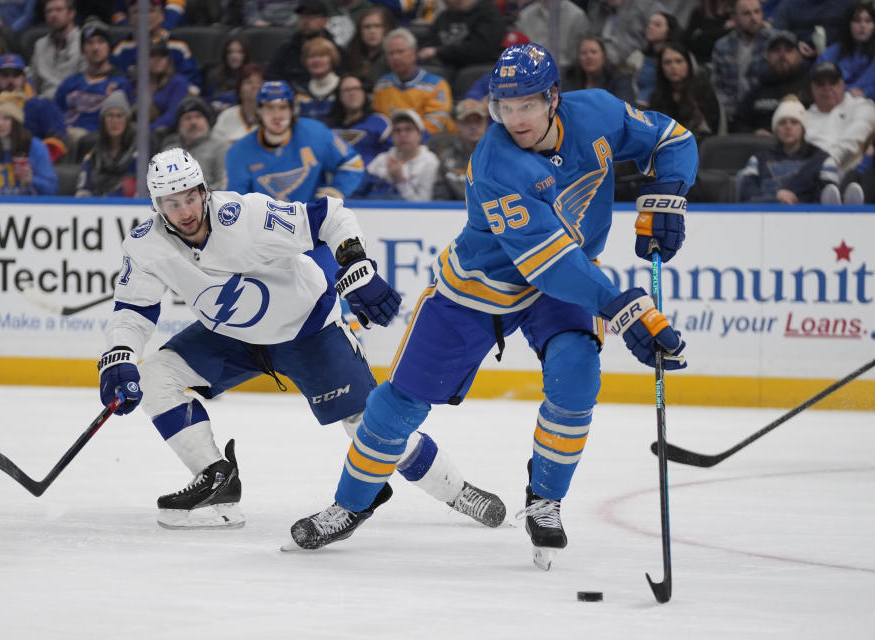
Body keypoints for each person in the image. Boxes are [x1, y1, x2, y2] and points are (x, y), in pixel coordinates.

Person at [289, 43, 696, 568]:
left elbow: (672, 138)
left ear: (553, 97)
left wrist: (668, 192)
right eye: (505, 106)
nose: (515, 118)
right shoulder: (495, 163)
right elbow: (545, 263)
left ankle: (544, 501)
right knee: (398, 406)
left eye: (527, 104)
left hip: (563, 285)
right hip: (479, 290)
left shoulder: (596, 110)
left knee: (577, 378)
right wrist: (620, 304)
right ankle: (349, 506)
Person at [96, 147, 506, 529]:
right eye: (171, 203)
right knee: (156, 377)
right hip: (232, 337)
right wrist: (120, 354)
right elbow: (134, 309)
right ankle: (215, 478)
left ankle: (458, 492)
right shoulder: (146, 245)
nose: (185, 211)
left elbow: (330, 215)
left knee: (369, 424)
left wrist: (354, 263)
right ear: (156, 205)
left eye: (190, 197)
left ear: (204, 191)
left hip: (308, 329)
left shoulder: (245, 216)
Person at [225, 80, 365, 203]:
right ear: (259, 111)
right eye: (269, 108)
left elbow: (353, 163)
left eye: (283, 107)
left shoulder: (315, 133)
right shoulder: (238, 152)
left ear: (292, 110)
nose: (277, 115)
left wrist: (338, 189)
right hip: (262, 228)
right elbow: (235, 203)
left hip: (312, 224)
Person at [736, 97, 841, 203]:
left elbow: (825, 200)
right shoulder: (758, 159)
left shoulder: (823, 160)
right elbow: (746, 194)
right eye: (782, 123)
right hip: (766, 214)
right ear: (776, 129)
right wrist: (775, 197)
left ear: (803, 128)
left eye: (794, 122)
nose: (788, 127)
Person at [0, 91, 59, 195]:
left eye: (6, 118)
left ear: (16, 122)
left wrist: (32, 180)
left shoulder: (35, 147)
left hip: (29, 207)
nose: (0, 124)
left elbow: (52, 189)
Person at [55, 21, 134, 139]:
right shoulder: (70, 82)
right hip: (64, 135)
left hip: (96, 139)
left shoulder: (120, 83)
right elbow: (55, 112)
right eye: (89, 43)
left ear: (109, 47)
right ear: (82, 50)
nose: (95, 48)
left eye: (101, 42)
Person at [372, 28, 457, 135]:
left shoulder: (437, 85)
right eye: (391, 53)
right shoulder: (381, 85)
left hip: (430, 144)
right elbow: (379, 120)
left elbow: (437, 123)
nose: (395, 57)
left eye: (400, 51)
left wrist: (406, 137)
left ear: (414, 53)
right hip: (392, 142)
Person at [732, 31, 812, 134]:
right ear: (768, 57)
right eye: (776, 50)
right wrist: (754, 133)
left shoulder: (810, 87)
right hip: (760, 146)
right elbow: (738, 123)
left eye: (788, 50)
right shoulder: (758, 88)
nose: (782, 55)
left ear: (799, 56)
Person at [328, 74, 392, 196]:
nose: (352, 93)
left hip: (371, 188)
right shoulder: (327, 127)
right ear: (339, 96)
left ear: (364, 93)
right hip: (334, 186)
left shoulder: (380, 122)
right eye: (347, 90)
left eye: (356, 89)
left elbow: (391, 155)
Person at [803, 61, 875, 169]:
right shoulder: (804, 116)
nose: (827, 88)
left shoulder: (861, 106)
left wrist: (832, 158)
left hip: (848, 173)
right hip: (808, 171)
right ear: (812, 88)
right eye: (820, 84)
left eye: (833, 82)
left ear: (842, 85)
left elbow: (858, 132)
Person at [710, 0, 773, 123]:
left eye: (757, 12)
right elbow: (716, 85)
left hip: (764, 112)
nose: (754, 18)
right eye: (747, 14)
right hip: (730, 114)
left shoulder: (773, 43)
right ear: (734, 18)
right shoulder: (722, 46)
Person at [649, 41, 721, 144]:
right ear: (661, 67)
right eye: (667, 63)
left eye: (678, 61)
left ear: (688, 64)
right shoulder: (656, 97)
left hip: (699, 147)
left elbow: (711, 129)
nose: (673, 67)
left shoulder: (703, 91)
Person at [416, 0, 507, 76]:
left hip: (473, 67)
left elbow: (480, 50)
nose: (444, 3)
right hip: (442, 63)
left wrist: (438, 51)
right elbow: (428, 41)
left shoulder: (489, 14)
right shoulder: (445, 16)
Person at [364, 108, 439, 200]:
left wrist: (400, 182)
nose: (402, 134)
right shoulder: (382, 159)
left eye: (408, 129)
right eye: (397, 130)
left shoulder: (430, 162)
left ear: (420, 134)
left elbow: (425, 205)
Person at [75, 90, 138, 197]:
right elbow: (83, 189)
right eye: (110, 116)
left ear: (127, 121)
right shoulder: (93, 153)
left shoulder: (137, 154)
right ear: (102, 120)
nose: (114, 121)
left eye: (119, 116)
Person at [160, 96, 226, 190]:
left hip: (212, 201)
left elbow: (224, 183)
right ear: (179, 125)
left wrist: (199, 196)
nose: (193, 122)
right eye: (187, 118)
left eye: (198, 117)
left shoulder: (220, 146)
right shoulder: (169, 151)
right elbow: (161, 185)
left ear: (207, 121)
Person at [815, 2, 875, 100]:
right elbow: (817, 82)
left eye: (868, 21)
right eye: (857, 20)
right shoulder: (830, 54)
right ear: (848, 24)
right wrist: (847, 92)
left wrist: (866, 92)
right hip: (834, 103)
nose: (863, 25)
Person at [433, 98, 488, 200]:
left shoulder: (499, 156)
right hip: (453, 213)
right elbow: (440, 197)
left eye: (478, 121)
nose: (473, 126)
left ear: (486, 123)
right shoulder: (446, 156)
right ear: (457, 125)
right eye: (467, 121)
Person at [514, 0, 592, 69]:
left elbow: (580, 56)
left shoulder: (577, 16)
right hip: (533, 73)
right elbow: (519, 51)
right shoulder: (525, 16)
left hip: (568, 75)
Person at [31, 0, 83, 100]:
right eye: (49, 11)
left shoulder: (84, 42)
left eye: (59, 10)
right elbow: (34, 83)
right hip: (43, 102)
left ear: (71, 14)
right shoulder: (40, 45)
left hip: (72, 101)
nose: (53, 15)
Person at [561, 35, 637, 104]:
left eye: (594, 52)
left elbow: (625, 108)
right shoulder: (570, 77)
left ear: (604, 56)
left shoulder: (620, 78)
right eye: (583, 53)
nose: (588, 56)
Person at [211, 63, 264, 145]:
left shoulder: (270, 116)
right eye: (249, 82)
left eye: (259, 82)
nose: (255, 86)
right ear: (239, 89)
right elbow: (215, 145)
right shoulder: (227, 116)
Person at [635, 12, 681, 106]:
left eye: (657, 25)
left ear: (669, 31)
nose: (650, 27)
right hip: (638, 106)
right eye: (649, 23)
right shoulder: (638, 56)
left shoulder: (681, 56)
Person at [295, 37, 343, 122]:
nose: (316, 60)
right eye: (311, 56)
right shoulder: (299, 92)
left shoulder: (344, 88)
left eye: (322, 55)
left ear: (332, 59)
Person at [346, 5, 395, 85]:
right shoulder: (351, 55)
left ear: (387, 28)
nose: (372, 31)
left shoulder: (393, 57)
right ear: (360, 31)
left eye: (378, 26)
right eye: (367, 27)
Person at [202, 34, 251, 113]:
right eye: (230, 52)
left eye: (239, 52)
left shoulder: (251, 76)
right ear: (225, 55)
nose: (234, 56)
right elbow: (208, 100)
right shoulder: (214, 75)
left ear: (245, 55)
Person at [682, 0, 733, 66]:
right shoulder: (700, 11)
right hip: (697, 59)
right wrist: (723, 30)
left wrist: (703, 35)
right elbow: (687, 39)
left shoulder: (733, 16)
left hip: (719, 61)